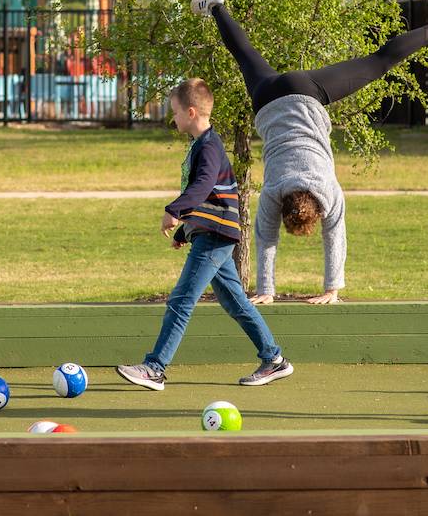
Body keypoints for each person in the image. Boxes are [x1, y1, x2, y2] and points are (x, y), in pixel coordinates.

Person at [189, 0, 428, 305]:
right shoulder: (275, 191)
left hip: (305, 93)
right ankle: (216, 4)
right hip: (270, 98)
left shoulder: (326, 192)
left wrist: (327, 290)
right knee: (244, 55)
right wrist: (268, 290)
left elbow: (329, 237)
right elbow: (267, 239)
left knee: (379, 62)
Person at [115, 78, 294, 390]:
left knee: (182, 299)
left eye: (175, 112)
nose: (173, 118)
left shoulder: (209, 147)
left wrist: (174, 210)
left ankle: (155, 368)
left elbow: (203, 185)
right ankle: (274, 359)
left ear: (192, 112)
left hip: (215, 236)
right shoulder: (203, 145)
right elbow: (211, 198)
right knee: (236, 302)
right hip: (211, 233)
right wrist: (185, 230)